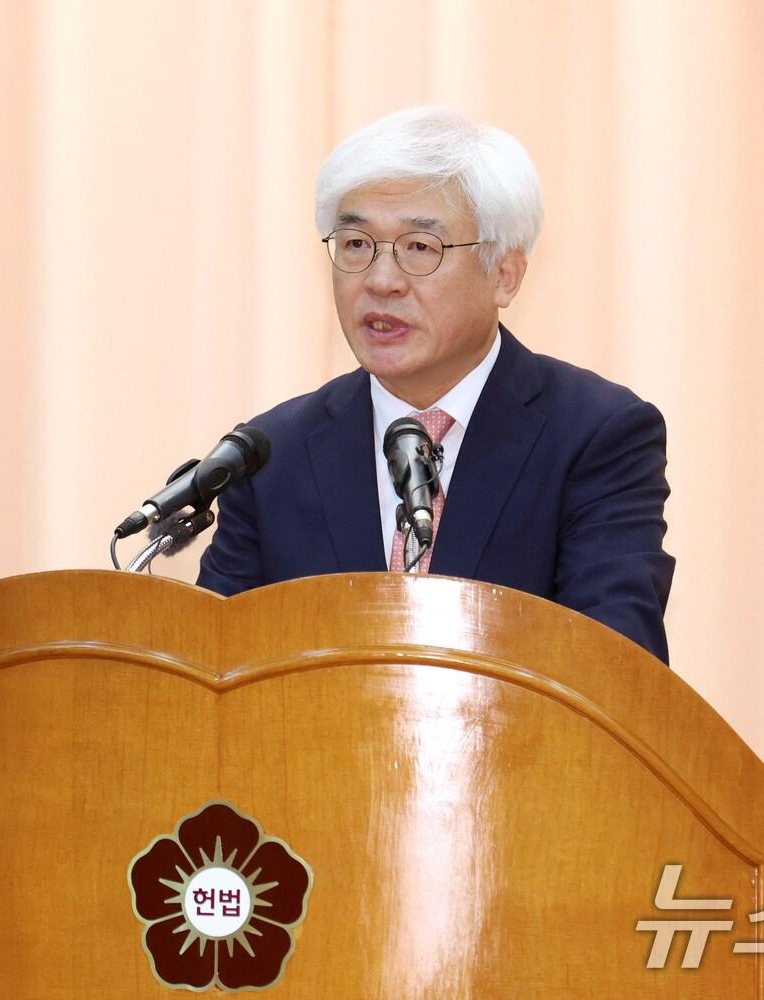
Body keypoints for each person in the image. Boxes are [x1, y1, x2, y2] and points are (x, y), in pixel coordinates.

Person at [197, 107, 675, 663]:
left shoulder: (594, 437)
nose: (380, 280)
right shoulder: (271, 455)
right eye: (356, 244)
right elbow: (212, 669)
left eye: (420, 248)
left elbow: (614, 667)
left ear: (505, 275)